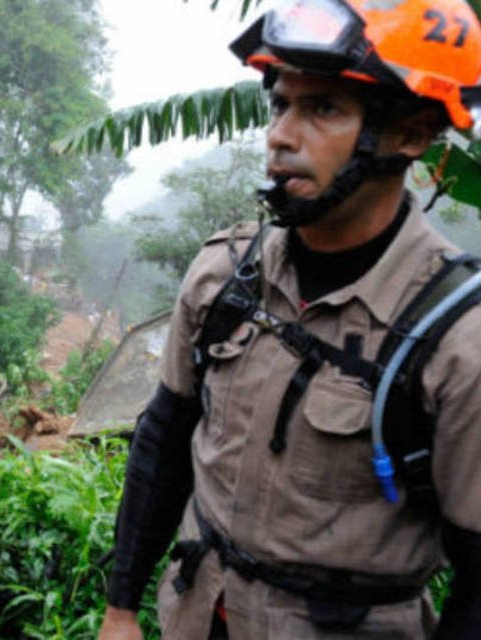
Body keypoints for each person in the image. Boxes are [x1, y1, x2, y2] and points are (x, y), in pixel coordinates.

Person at [98, 0, 481, 638]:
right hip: (198, 615)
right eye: (281, 104)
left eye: (323, 108)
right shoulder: (226, 276)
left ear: (411, 134)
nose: (280, 134)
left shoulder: (457, 341)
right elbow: (163, 440)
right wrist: (120, 611)